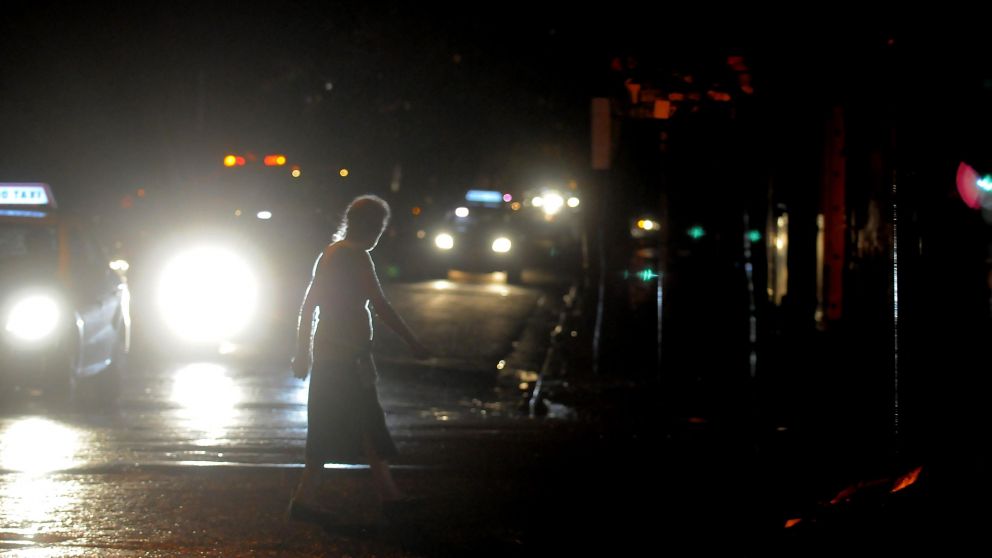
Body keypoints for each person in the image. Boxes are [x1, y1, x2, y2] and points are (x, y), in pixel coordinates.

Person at [289, 194, 431, 523]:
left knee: (339, 425)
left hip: (331, 355)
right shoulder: (356, 256)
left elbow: (309, 305)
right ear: (368, 226)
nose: (380, 232)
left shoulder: (330, 254)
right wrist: (412, 341)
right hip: (349, 358)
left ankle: (314, 498)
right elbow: (380, 305)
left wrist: (303, 352)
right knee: (365, 423)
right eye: (379, 225)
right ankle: (314, 499)